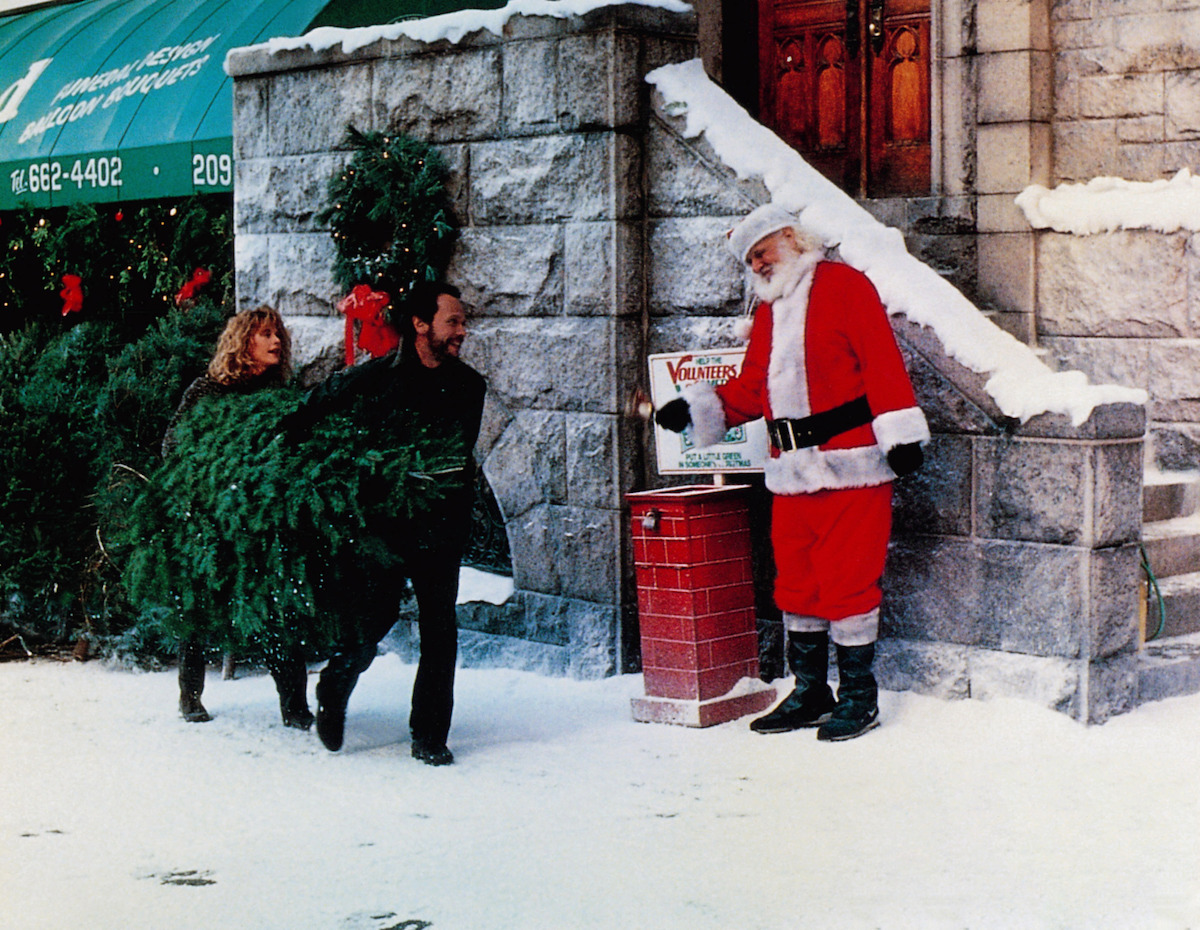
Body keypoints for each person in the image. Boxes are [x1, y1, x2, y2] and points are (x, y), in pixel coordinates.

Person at [655, 204, 929, 741]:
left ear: (790, 239)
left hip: (851, 466)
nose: (756, 265)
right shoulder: (772, 310)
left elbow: (880, 360)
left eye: (761, 252)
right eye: (750, 259)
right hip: (789, 472)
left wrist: (900, 434)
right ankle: (809, 692)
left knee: (849, 582)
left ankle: (857, 697)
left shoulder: (845, 286)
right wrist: (699, 409)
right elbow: (753, 385)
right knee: (797, 584)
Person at [282, 282, 486, 766]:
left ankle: (430, 735)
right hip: (385, 529)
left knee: (441, 628)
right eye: (452, 321)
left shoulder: (469, 386)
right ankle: (335, 686)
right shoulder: (372, 379)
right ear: (420, 324)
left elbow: (456, 456)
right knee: (374, 620)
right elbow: (314, 408)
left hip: (439, 527)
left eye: (462, 321)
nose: (462, 330)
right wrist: (289, 443)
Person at [163, 305, 313, 730]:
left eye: (277, 335)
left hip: (262, 523)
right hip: (211, 517)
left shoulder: (279, 395)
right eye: (265, 334)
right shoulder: (207, 391)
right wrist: (215, 477)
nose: (275, 341)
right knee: (196, 605)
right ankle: (189, 694)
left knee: (278, 607)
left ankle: (295, 706)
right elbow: (173, 445)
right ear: (242, 340)